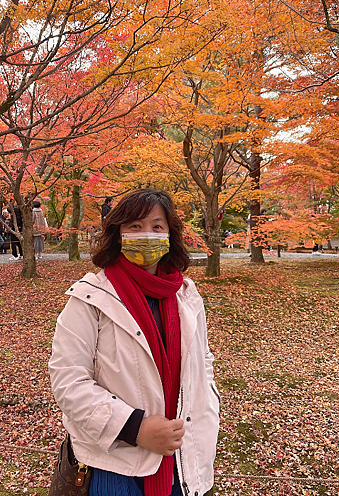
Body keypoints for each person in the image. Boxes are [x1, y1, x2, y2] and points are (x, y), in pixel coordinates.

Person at [49, 189, 219, 496]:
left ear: (170, 235)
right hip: (114, 464)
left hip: (182, 460)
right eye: (135, 226)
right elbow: (68, 381)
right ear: (118, 234)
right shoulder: (90, 298)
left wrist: (206, 413)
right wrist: (135, 428)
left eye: (157, 226)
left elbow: (202, 363)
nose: (147, 234)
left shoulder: (187, 296)